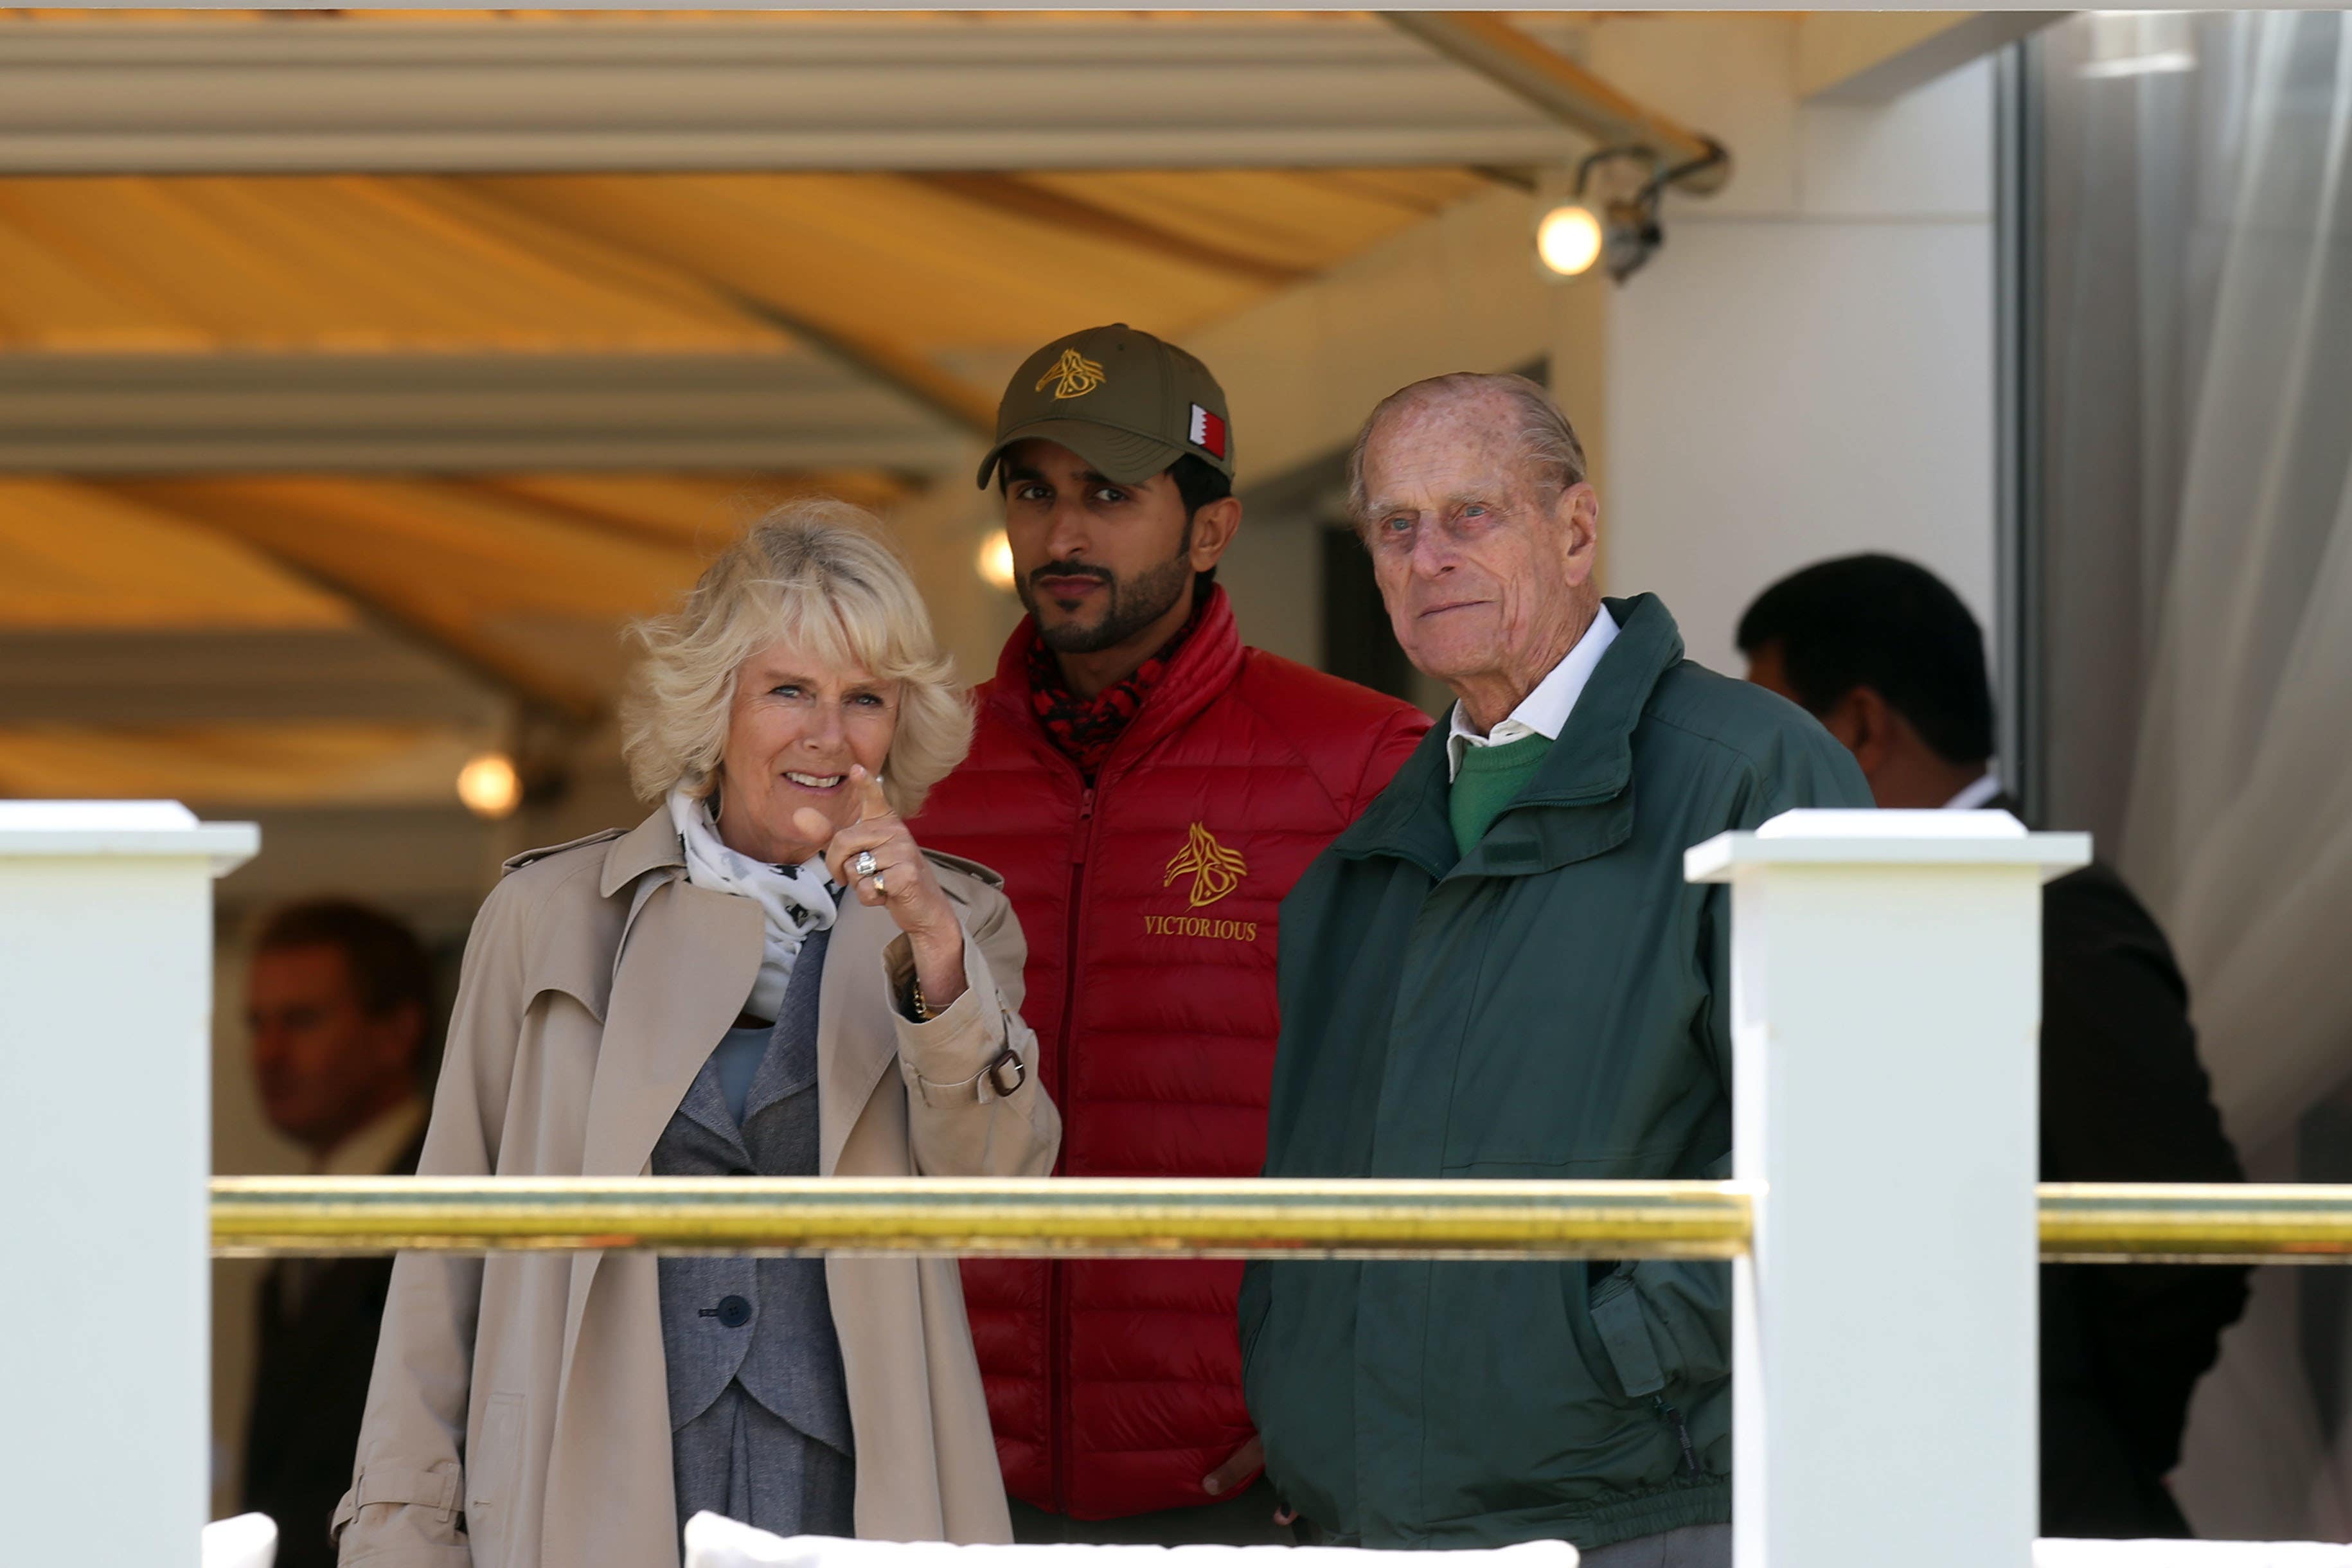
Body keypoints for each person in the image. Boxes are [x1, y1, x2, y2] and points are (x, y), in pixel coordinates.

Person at [335, 504, 1061, 1567]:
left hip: (854, 1489)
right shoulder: (546, 917)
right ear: (714, 701)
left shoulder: (956, 923)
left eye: (865, 699)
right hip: (584, 1483)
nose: (827, 735)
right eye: (789, 692)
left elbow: (1001, 1196)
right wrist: (401, 1528)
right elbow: (444, 1255)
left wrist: (931, 952)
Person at [1240, 372, 1870, 1566]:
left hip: (1637, 1510)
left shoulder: (1753, 773)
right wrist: (1300, 1381)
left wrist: (1617, 1347)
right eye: (1395, 526)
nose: (1429, 556)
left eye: (1470, 515)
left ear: (1576, 531)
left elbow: (1845, 1141)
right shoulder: (1364, 855)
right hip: (1366, 1523)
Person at [910, 323, 1430, 1542]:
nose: (1064, 535)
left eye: (1111, 494)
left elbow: (1441, 1107)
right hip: (952, 1473)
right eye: (1034, 492)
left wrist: (1331, 1396)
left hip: (1241, 1493)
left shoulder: (1358, 765)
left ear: (1210, 529)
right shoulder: (920, 764)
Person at [1736, 551, 2249, 1539]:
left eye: (1779, 732)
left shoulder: (2056, 915)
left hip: (2045, 1512)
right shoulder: (1851, 923)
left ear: (1859, 728)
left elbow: (2182, 1239)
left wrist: (2077, 1433)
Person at [242, 900, 435, 1568]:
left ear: (395, 1032)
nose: (267, 1052)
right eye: (256, 1023)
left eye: (301, 1020)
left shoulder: (453, 1194)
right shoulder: (300, 1218)